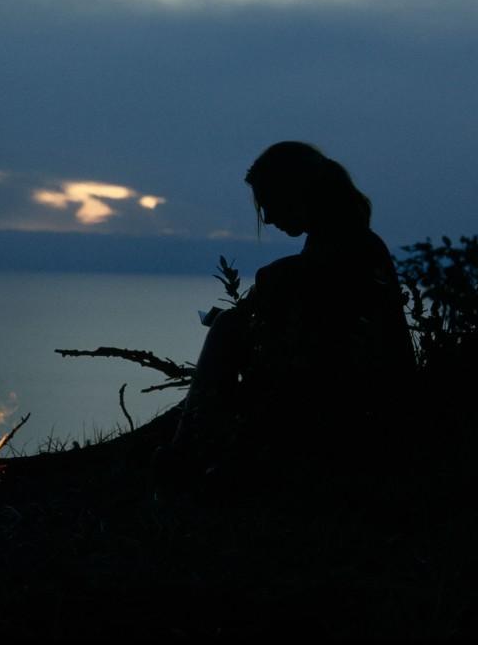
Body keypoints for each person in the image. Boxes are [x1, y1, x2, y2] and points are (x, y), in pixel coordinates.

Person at [171, 141, 416, 469]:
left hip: (357, 404)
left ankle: (186, 454)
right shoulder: (349, 245)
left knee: (226, 326)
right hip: (359, 397)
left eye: (270, 204)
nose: (268, 218)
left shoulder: (340, 253)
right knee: (229, 326)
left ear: (297, 194)